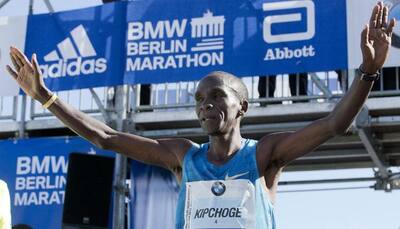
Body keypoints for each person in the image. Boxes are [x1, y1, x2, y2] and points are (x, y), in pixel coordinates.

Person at [5, 3, 395, 228]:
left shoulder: (264, 156)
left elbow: (334, 124)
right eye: (198, 99)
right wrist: (47, 97)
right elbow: (106, 137)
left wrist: (368, 72)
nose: (205, 104)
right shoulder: (182, 156)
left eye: (216, 96)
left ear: (242, 106)